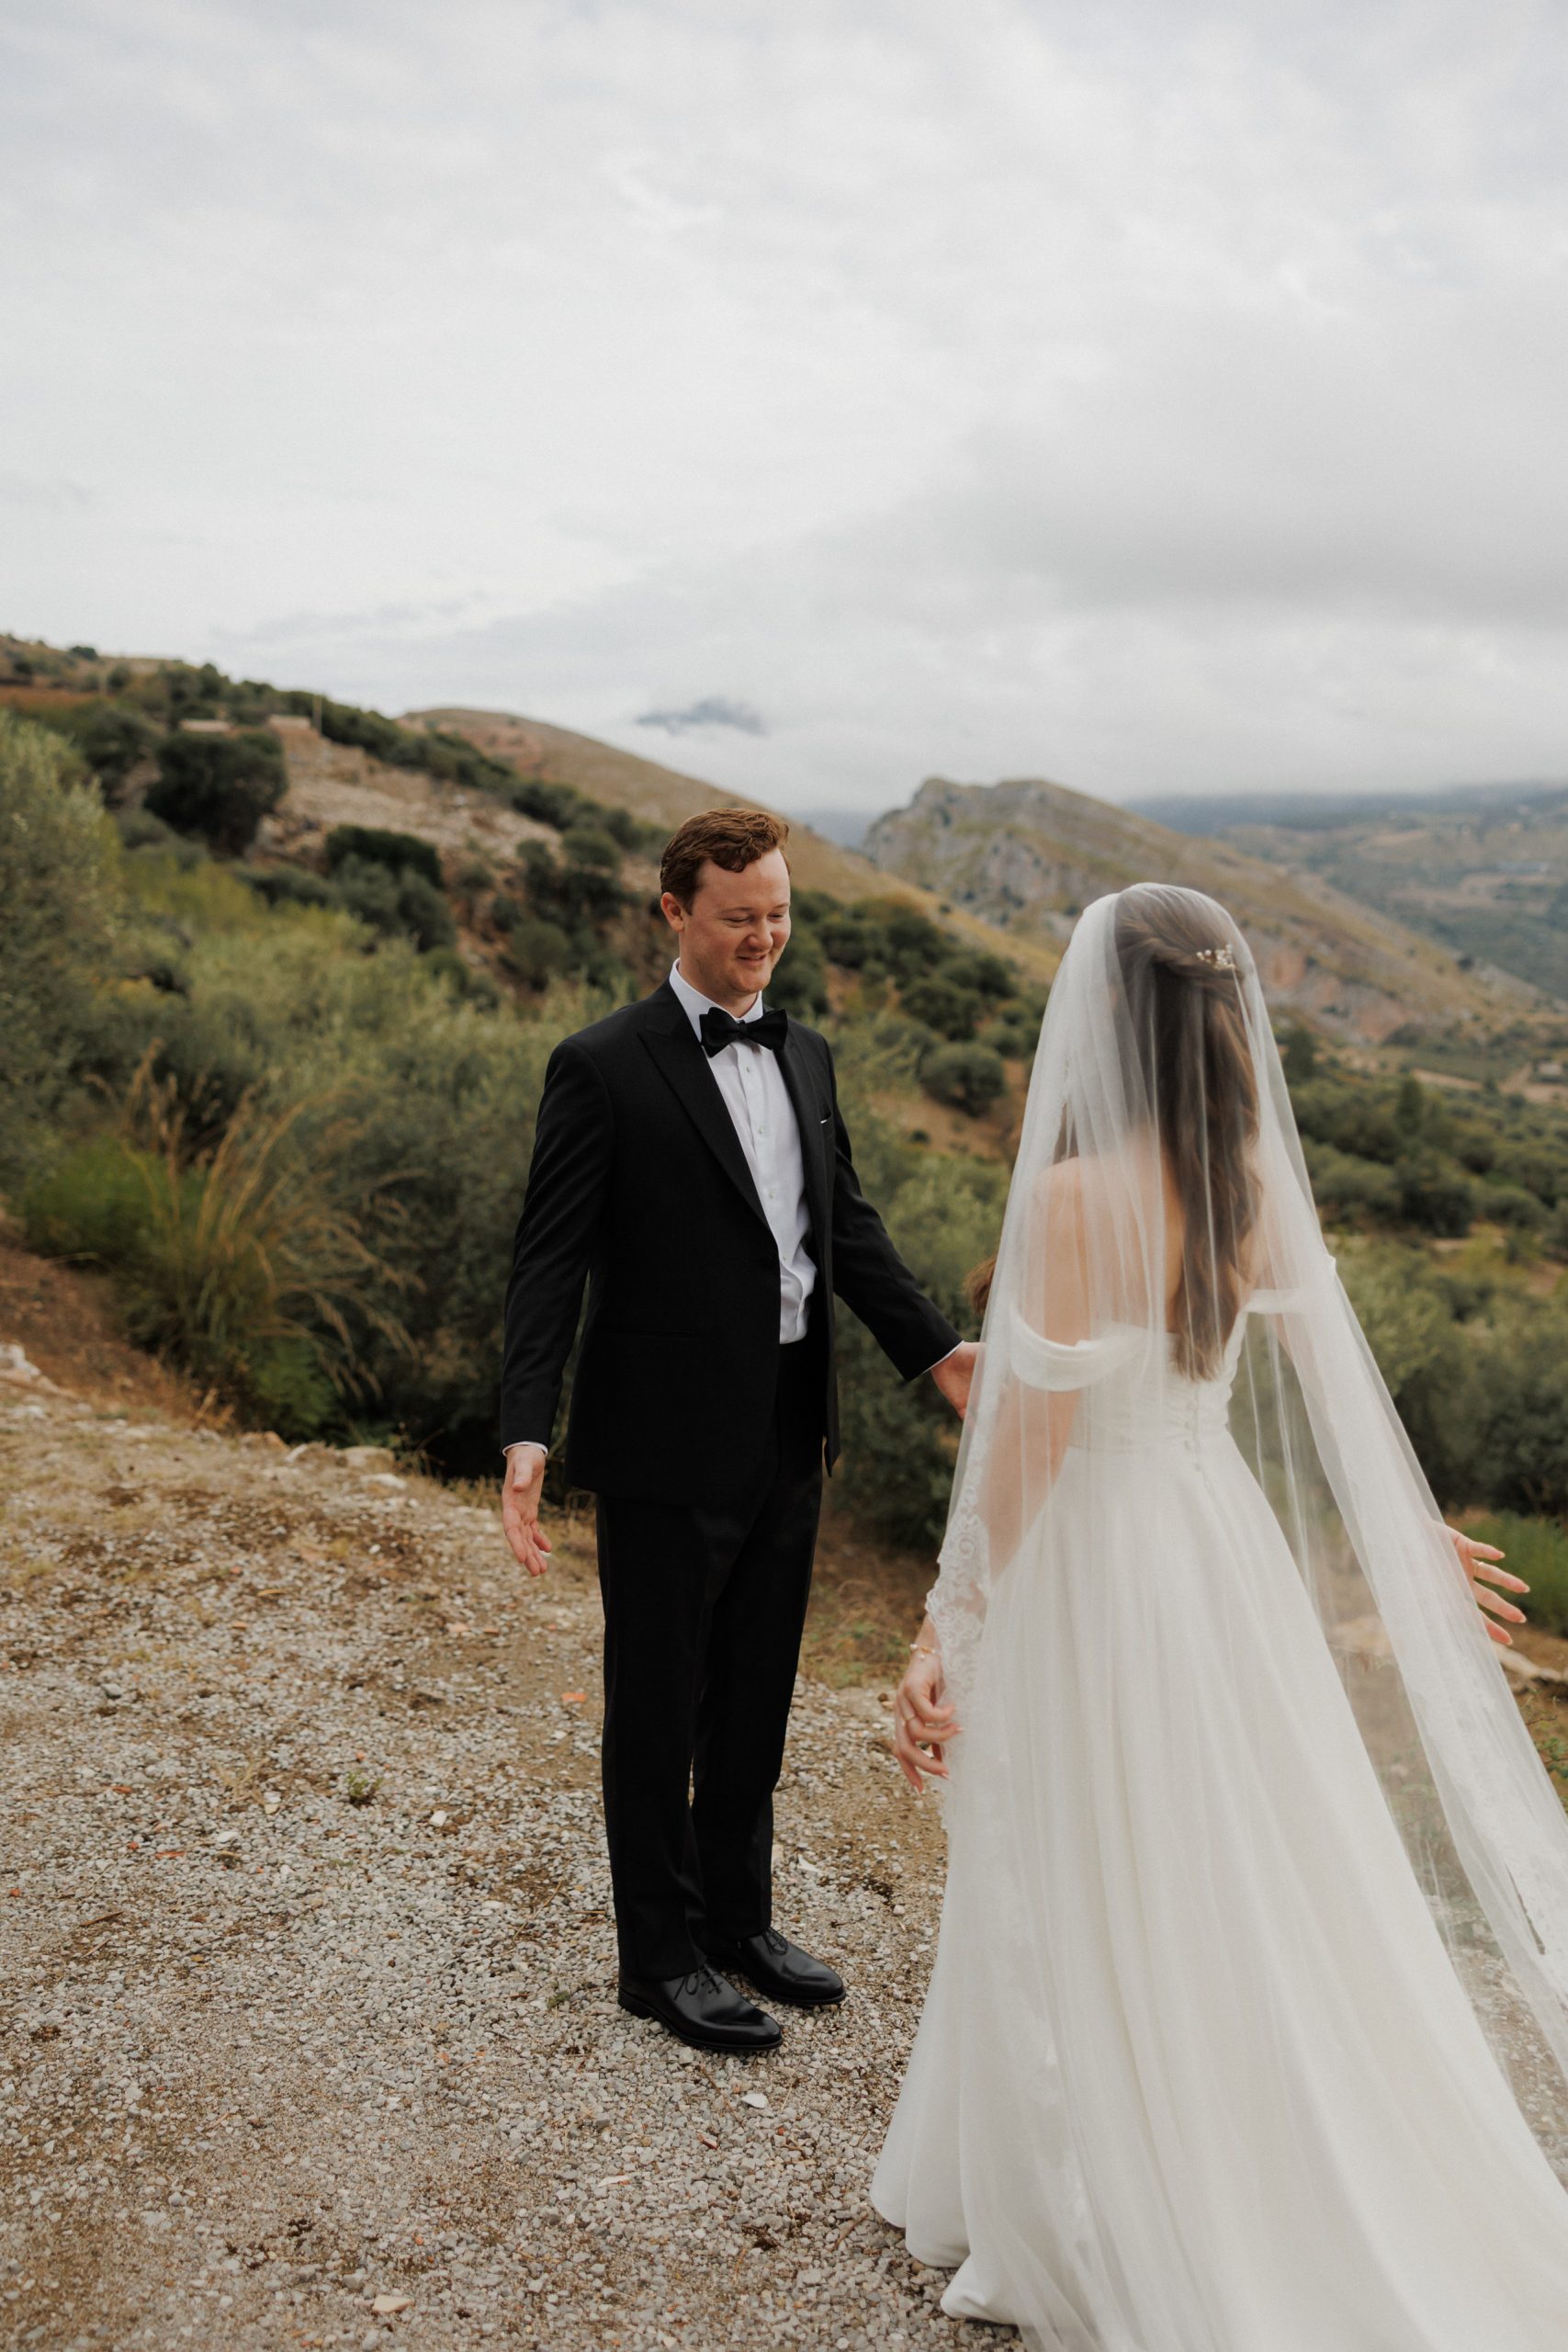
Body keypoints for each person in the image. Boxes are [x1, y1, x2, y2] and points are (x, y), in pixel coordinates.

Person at [874, 883, 1568, 2349]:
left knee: (1095, 1836)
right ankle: (1254, 2136)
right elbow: (1337, 1394)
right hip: (1220, 1550)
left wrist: (947, 1625)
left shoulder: (1071, 1201)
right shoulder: (1251, 1181)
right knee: (1233, 1844)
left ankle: (1125, 2179)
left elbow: (1030, 1454)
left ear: (1104, 1018)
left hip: (1099, 1561)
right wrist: (1411, 1534)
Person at [499, 808, 976, 2053]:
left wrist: (938, 1351)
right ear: (675, 912)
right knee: (659, 1703)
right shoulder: (601, 1065)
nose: (763, 936)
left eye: (777, 913)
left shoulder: (806, 1054)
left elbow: (844, 1228)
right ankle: (658, 1960)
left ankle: (737, 1922)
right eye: (738, 917)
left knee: (756, 1689)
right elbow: (549, 1259)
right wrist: (525, 1427)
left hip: (788, 1423)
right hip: (661, 1439)